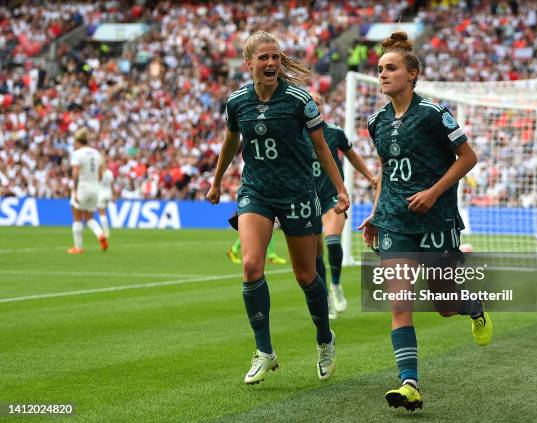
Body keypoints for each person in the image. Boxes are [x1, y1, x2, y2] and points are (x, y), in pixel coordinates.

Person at [358, 31, 492, 411]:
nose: (383, 74)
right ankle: (409, 384)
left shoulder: (434, 114)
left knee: (445, 304)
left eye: (391, 68)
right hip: (395, 222)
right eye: (380, 68)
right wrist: (375, 213)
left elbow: (468, 158)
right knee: (400, 303)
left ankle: (474, 308)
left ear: (412, 73)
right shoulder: (376, 122)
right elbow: (386, 171)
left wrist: (433, 192)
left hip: (436, 221)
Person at [206, 31, 350, 385]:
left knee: (305, 275)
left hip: (298, 193)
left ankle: (324, 339)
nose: (271, 63)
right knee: (251, 266)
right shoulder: (238, 102)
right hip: (256, 191)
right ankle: (265, 352)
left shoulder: (300, 100)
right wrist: (215, 180)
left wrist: (341, 188)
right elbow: (230, 143)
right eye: (264, 58)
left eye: (275, 57)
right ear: (249, 63)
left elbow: (322, 150)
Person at [306, 92, 377, 319]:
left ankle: (335, 285)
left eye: (318, 101)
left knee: (333, 241)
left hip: (332, 197)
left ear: (323, 106)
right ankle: (324, 297)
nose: (314, 105)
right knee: (315, 254)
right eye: (310, 102)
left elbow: (352, 156)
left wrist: (369, 176)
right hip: (307, 200)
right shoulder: (296, 133)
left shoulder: (334, 132)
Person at [67, 128, 108, 254]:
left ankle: (78, 247)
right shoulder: (96, 153)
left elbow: (75, 174)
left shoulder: (77, 154)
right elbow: (101, 175)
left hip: (83, 187)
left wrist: (74, 191)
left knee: (77, 217)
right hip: (95, 188)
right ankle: (100, 234)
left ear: (78, 141)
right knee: (89, 218)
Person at [97, 153, 114, 239]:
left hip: (101, 194)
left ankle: (106, 232)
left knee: (102, 214)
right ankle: (105, 230)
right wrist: (114, 195)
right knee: (104, 213)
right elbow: (112, 185)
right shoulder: (110, 173)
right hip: (109, 194)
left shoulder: (99, 173)